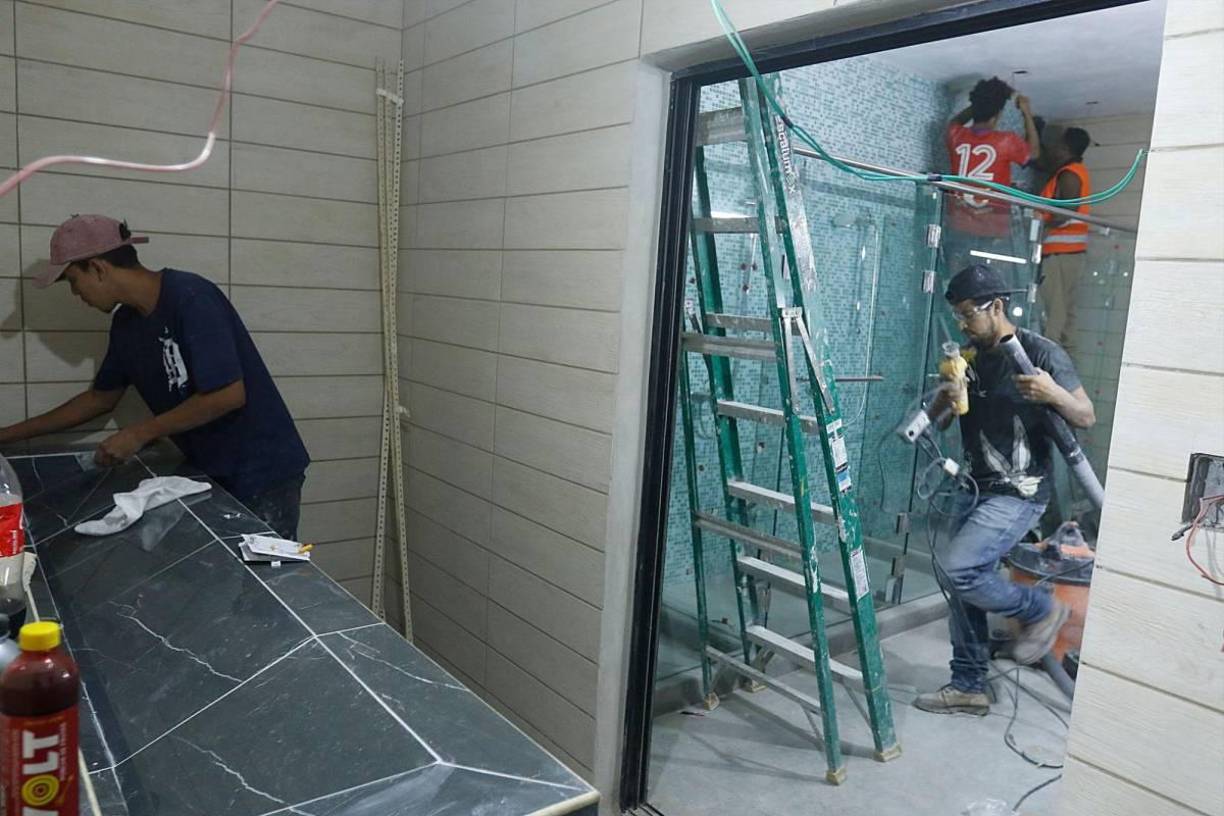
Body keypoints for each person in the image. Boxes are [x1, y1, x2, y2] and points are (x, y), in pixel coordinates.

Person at [0, 215, 310, 539]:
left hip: (263, 470)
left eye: (74, 282)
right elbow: (100, 399)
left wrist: (139, 433)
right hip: (208, 470)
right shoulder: (126, 324)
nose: (77, 295)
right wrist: (6, 435)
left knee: (265, 578)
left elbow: (228, 394)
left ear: (98, 268)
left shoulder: (190, 296)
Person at [914, 264, 1094, 715]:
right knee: (963, 586)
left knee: (962, 571)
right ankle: (969, 684)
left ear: (995, 306)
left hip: (1020, 491)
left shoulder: (1038, 352)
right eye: (957, 316)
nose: (962, 324)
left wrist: (1052, 392)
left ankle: (1039, 609)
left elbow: (1085, 415)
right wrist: (946, 393)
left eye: (967, 314)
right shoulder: (969, 357)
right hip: (975, 487)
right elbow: (939, 420)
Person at [943, 77, 1041, 271]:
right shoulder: (1006, 141)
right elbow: (1034, 153)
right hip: (992, 227)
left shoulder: (955, 135)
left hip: (958, 224)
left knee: (956, 281)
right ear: (998, 115)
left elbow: (954, 122)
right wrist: (1027, 114)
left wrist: (979, 105)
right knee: (986, 286)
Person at [1037, 126, 1093, 358]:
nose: (1053, 149)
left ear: (1066, 149)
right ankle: (1069, 368)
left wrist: (1038, 224)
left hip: (1060, 254)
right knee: (1067, 315)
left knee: (1055, 312)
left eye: (1058, 145)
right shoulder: (1075, 171)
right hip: (1073, 253)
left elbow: (1065, 213)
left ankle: (1047, 364)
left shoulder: (1069, 174)